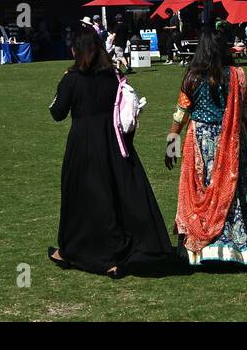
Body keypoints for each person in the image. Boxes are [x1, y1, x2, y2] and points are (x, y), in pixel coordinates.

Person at [48, 27, 172, 277]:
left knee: (82, 197)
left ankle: (81, 251)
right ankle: (119, 252)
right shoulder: (113, 75)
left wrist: (64, 82)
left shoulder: (72, 78)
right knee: (114, 195)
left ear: (76, 51)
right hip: (114, 140)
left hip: (83, 142)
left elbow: (57, 112)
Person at [165, 26, 247, 267]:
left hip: (199, 142)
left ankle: (200, 251)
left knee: (200, 191)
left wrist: (171, 146)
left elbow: (180, 115)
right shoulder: (236, 76)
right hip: (231, 141)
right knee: (234, 192)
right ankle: (237, 248)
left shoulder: (192, 77)